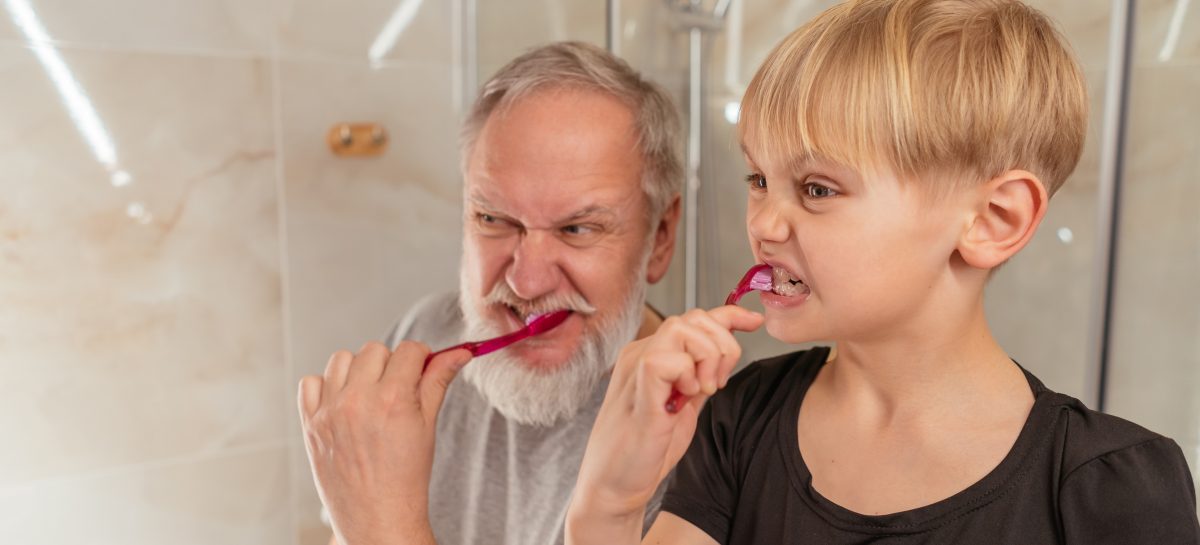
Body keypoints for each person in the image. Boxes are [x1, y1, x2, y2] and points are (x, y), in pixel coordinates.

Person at [565, 1, 1200, 544]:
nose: (763, 223)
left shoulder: (1109, 487)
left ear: (993, 221)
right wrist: (610, 503)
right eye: (760, 179)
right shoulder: (737, 420)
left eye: (816, 188)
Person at [297, 42, 684, 545]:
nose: (526, 282)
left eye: (578, 229)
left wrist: (384, 530)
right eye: (493, 219)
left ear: (660, 239)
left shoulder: (701, 440)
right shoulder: (427, 333)